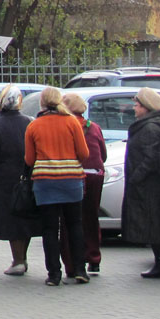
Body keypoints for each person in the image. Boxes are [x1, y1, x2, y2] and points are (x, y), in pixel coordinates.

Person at [24, 86, 89, 286]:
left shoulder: (34, 126)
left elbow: (29, 160)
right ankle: (79, 269)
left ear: (42, 103)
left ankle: (54, 274)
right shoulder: (71, 122)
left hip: (45, 183)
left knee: (49, 229)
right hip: (71, 180)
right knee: (75, 226)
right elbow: (84, 154)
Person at [0, 85, 41, 275]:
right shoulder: (30, 123)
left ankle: (18, 260)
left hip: (4, 181)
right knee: (24, 218)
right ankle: (21, 258)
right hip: (28, 176)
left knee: (12, 220)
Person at [123, 87, 160, 278]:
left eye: (137, 105)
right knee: (156, 223)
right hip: (154, 183)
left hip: (151, 185)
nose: (134, 109)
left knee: (154, 224)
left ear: (147, 107)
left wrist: (137, 176)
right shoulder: (153, 125)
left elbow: (152, 157)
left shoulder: (150, 128)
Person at [60, 92, 106, 276]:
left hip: (73, 175)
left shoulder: (66, 126)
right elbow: (103, 154)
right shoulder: (93, 127)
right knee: (91, 217)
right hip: (94, 175)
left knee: (69, 221)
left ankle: (72, 262)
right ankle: (94, 258)